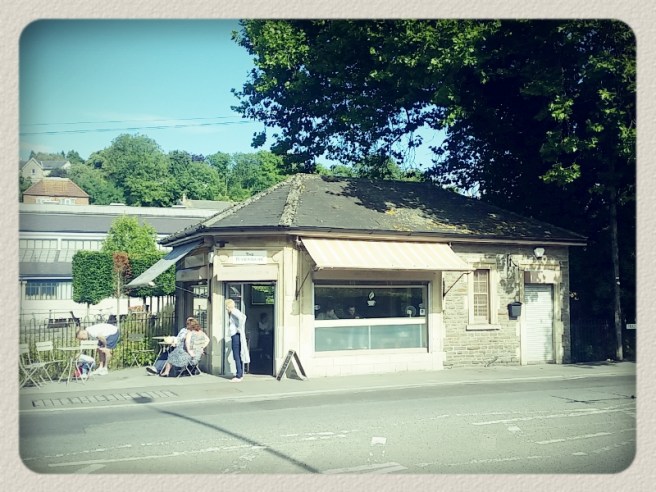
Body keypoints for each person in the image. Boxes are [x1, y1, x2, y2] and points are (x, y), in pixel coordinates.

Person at [225, 298, 250, 382]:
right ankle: (239, 373)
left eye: (226, 306)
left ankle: (239, 375)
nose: (226, 308)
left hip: (236, 335)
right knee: (237, 355)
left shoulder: (233, 311)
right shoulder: (235, 311)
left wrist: (238, 328)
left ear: (228, 306)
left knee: (236, 355)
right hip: (236, 334)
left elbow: (242, 318)